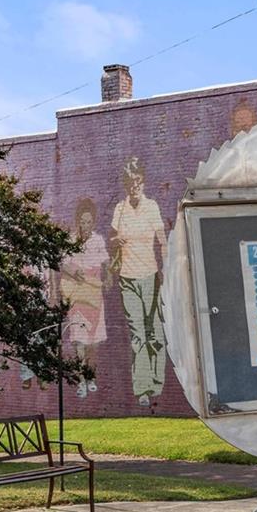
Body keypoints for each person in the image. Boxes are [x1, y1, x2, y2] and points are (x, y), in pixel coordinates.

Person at [108, 157, 168, 409]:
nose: (134, 186)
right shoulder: (120, 209)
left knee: (155, 331)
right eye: (130, 182)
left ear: (143, 182)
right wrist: (116, 241)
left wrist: (165, 269)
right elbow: (112, 239)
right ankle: (142, 388)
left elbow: (162, 241)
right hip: (127, 278)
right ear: (125, 184)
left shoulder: (152, 206)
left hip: (150, 275)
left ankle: (157, 380)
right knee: (137, 334)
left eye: (138, 182)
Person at [59, 197, 110, 399]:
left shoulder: (98, 240)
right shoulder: (71, 240)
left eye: (89, 222)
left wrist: (107, 277)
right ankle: (81, 381)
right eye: (83, 221)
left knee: (93, 344)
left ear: (93, 222)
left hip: (94, 295)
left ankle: (91, 378)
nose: (86, 225)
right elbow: (63, 263)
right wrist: (73, 272)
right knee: (80, 341)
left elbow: (105, 266)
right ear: (77, 220)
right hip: (78, 296)